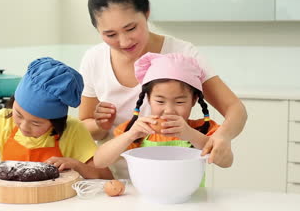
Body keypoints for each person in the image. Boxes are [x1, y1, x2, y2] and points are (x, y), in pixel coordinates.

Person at [79, 0, 247, 167]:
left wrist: (222, 137)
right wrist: (99, 125)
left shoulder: (183, 54)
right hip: (113, 179)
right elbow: (85, 127)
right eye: (110, 34)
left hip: (173, 174)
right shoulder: (94, 59)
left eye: (131, 28)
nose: (124, 42)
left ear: (147, 12)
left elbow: (235, 109)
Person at [0, 57, 113, 179]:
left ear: (56, 122)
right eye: (18, 114)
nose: (24, 127)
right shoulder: (3, 120)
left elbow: (106, 176)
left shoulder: (73, 130)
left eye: (36, 123)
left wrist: (75, 164)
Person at [93, 53, 234, 177]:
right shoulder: (137, 130)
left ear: (193, 100)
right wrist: (130, 135)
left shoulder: (203, 128)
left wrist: (189, 134)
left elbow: (226, 162)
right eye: (160, 101)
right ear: (148, 99)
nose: (169, 110)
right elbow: (99, 161)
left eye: (179, 102)